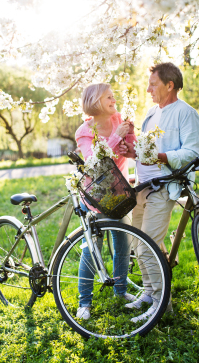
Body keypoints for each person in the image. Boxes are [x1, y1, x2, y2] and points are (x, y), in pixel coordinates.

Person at [121, 62, 199, 322]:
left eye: (153, 84)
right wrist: (132, 150)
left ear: (170, 85)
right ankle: (148, 292)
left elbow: (191, 154)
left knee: (148, 248)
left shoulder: (186, 113)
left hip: (163, 188)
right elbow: (146, 154)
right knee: (137, 244)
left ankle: (160, 304)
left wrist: (161, 156)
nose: (148, 89)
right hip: (141, 189)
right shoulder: (151, 113)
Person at [74, 83, 137, 320]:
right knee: (93, 250)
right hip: (97, 196)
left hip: (119, 192)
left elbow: (131, 148)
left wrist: (127, 138)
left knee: (123, 245)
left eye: (113, 96)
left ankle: (121, 292)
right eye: (108, 97)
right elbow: (93, 164)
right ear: (96, 102)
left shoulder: (118, 118)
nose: (114, 99)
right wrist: (115, 137)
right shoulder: (84, 131)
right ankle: (85, 302)